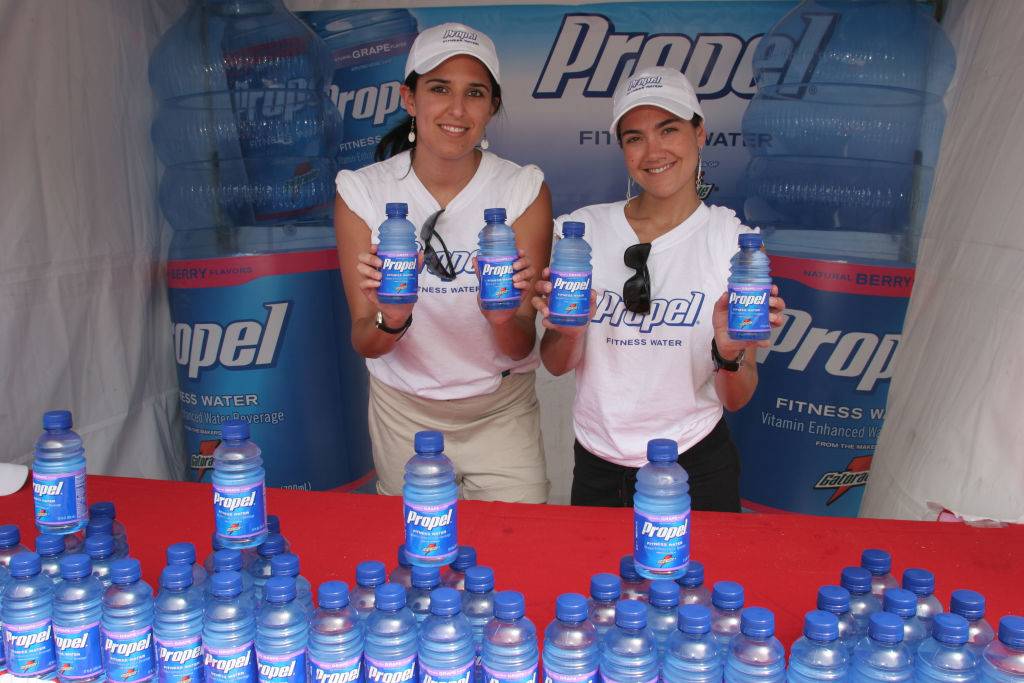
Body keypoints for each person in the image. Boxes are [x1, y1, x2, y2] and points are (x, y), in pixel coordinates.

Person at [532, 67, 785, 511]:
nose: (654, 151)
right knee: (598, 583)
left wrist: (729, 352)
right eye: (635, 137)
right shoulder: (580, 233)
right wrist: (567, 332)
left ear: (699, 133)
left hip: (697, 468)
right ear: (623, 149)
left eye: (668, 129)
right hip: (599, 467)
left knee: (700, 584)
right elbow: (555, 364)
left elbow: (738, 397)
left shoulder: (734, 243)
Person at [334, 22, 551, 503]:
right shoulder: (362, 192)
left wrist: (501, 318)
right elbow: (365, 342)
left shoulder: (522, 191)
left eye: (475, 93)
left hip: (501, 413)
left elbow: (520, 344)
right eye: (438, 89)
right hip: (404, 415)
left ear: (492, 106)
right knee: (420, 563)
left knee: (516, 555)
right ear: (408, 99)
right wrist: (392, 319)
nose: (457, 110)